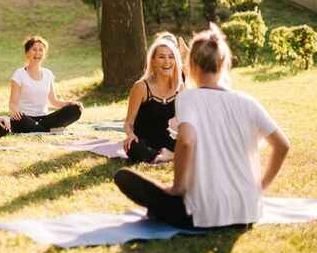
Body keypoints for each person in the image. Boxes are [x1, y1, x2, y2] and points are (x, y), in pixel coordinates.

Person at [114, 24, 290, 229]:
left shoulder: (189, 98)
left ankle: (166, 204)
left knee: (136, 186)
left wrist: (176, 188)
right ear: (224, 63)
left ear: (191, 65)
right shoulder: (248, 101)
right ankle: (166, 204)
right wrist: (259, 188)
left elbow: (186, 141)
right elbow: (282, 145)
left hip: (206, 214)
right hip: (249, 212)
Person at [122, 38, 184, 163]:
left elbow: (183, 121)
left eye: (171, 57)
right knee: (132, 146)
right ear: (153, 61)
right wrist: (130, 135)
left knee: (196, 143)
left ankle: (167, 156)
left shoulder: (179, 87)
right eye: (161, 57)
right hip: (142, 142)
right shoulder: (141, 86)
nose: (167, 62)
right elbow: (128, 123)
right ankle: (164, 156)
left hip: (165, 140)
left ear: (176, 61)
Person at [8, 36, 83, 133]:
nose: (37, 53)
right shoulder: (19, 74)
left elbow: (53, 102)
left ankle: (39, 128)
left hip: (44, 119)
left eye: (41, 50)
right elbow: (12, 103)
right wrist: (14, 110)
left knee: (75, 109)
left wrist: (72, 103)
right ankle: (50, 130)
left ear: (44, 53)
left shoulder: (48, 74)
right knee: (17, 121)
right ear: (27, 53)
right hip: (25, 118)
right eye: (34, 49)